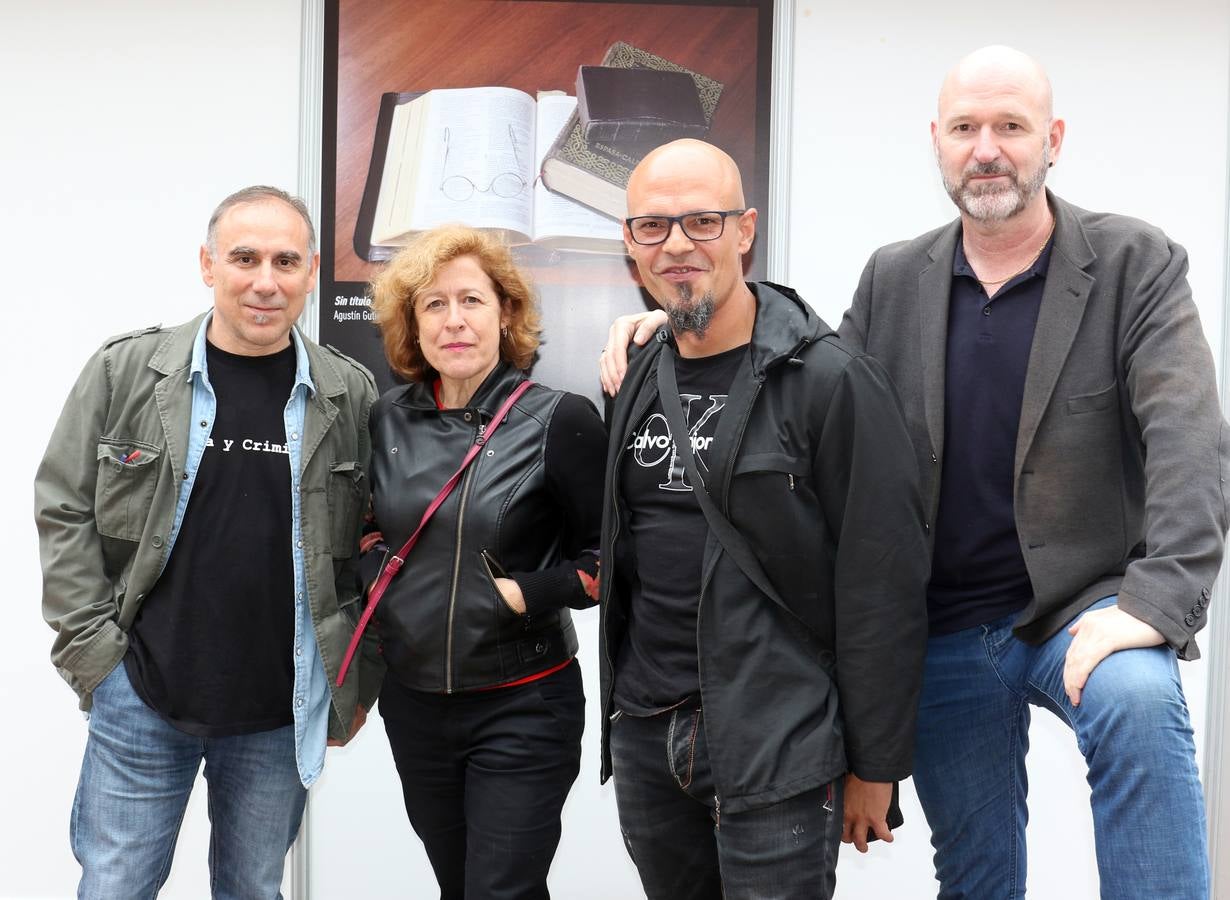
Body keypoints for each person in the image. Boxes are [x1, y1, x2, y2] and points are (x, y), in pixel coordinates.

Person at [603, 47, 1227, 900]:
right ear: (937, 141)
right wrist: (675, 329)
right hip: (945, 624)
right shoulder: (895, 276)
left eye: (1010, 126)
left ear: (1054, 139)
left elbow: (1190, 442)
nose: (987, 148)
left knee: (1138, 701)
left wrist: (1154, 607)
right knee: (975, 873)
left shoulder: (1132, 264)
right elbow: (806, 381)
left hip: (1085, 606)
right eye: (966, 128)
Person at [596, 139, 929, 900]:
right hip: (649, 733)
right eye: (654, 226)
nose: (678, 245)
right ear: (630, 243)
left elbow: (884, 583)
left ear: (744, 231)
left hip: (779, 739)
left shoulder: (830, 379)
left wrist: (876, 765)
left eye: (702, 222)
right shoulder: (635, 370)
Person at [34, 185, 380, 898]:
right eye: (244, 258)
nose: (265, 281)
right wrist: (94, 655)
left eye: (286, 261)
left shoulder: (349, 394)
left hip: (278, 709)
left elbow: (377, 550)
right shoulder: (126, 370)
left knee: (253, 889)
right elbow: (63, 504)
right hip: (141, 694)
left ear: (312, 271)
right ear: (207, 264)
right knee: (115, 885)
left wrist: (353, 682)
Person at [361, 224, 606, 900]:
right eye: (433, 305)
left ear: (507, 313)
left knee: (502, 890)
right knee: (459, 888)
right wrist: (378, 570)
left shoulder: (560, 419)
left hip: (523, 704)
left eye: (471, 300)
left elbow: (616, 554)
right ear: (412, 325)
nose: (454, 320)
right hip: (414, 706)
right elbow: (363, 526)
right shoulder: (385, 420)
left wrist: (530, 592)